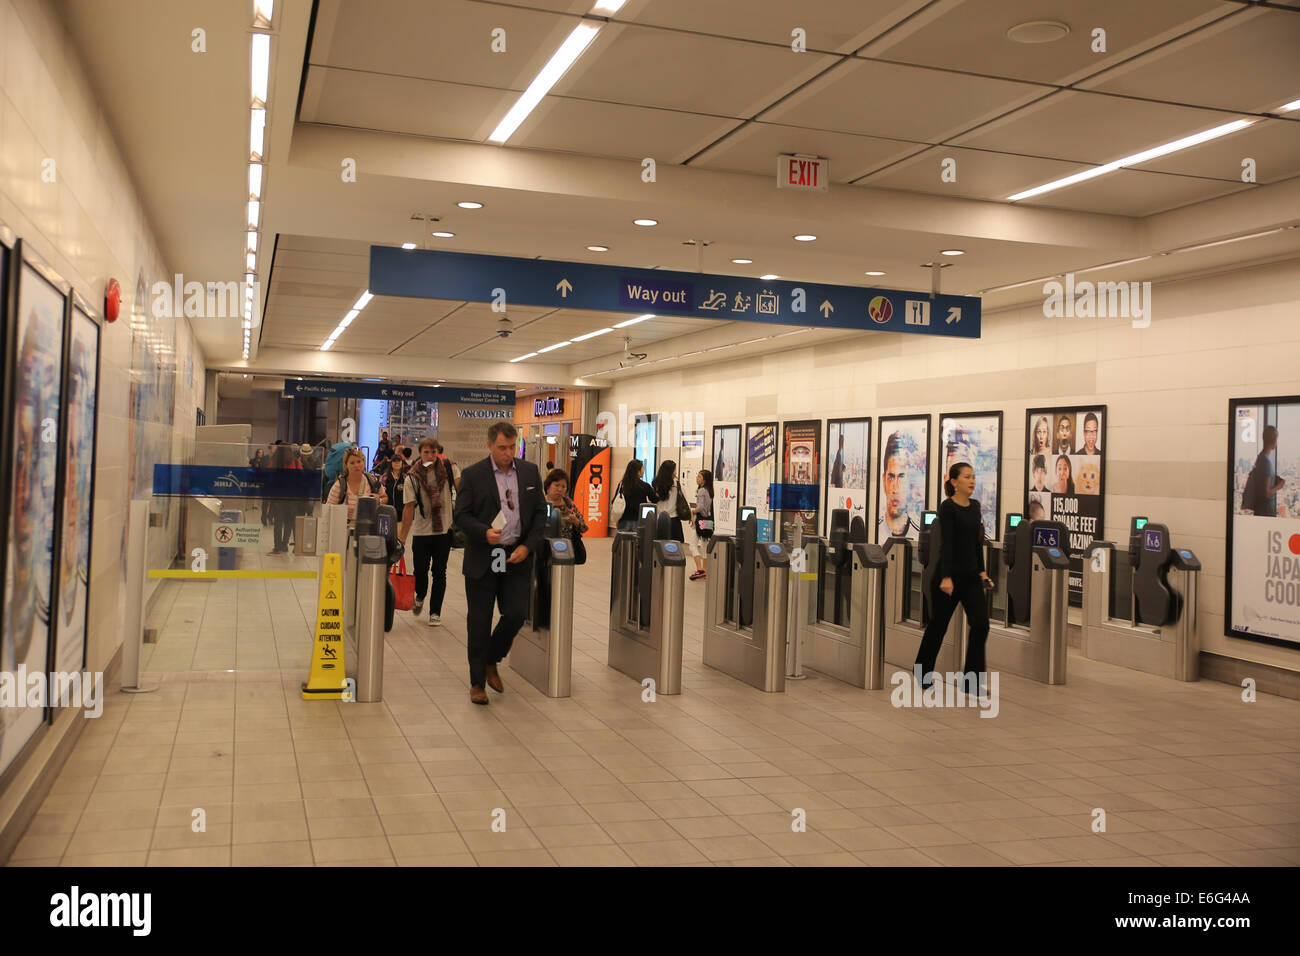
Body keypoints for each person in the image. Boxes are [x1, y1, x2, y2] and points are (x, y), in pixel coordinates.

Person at [453, 421, 547, 705]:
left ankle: (491, 658)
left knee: (517, 612)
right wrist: (483, 532)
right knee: (479, 621)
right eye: (502, 448)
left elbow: (541, 513)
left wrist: (528, 547)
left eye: (512, 447)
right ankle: (477, 683)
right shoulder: (473, 475)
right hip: (486, 556)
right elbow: (461, 516)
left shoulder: (529, 472)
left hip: (515, 556)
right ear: (490, 445)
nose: (508, 453)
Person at [913, 462, 991, 697]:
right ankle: (922, 673)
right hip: (948, 577)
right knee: (938, 626)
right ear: (954, 482)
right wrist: (946, 577)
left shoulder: (975, 507)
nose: (972, 481)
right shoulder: (947, 508)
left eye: (973, 477)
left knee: (981, 624)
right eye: (967, 477)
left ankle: (972, 681)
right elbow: (945, 545)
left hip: (971, 577)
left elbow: (977, 542)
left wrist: (983, 571)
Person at [399, 439, 452, 626]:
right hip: (421, 532)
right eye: (426, 452)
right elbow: (409, 508)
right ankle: (420, 595)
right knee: (420, 571)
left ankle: (435, 612)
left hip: (443, 531)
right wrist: (402, 537)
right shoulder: (412, 477)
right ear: (420, 454)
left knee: (440, 572)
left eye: (433, 452)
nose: (430, 456)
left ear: (438, 452)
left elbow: (462, 489)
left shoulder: (448, 471)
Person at [326, 447, 387, 525]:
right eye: (352, 463)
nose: (356, 465)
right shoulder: (340, 485)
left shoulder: (372, 481)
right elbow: (329, 509)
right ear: (346, 465)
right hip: (343, 530)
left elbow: (385, 497)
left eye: (359, 461)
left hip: (368, 529)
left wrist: (380, 500)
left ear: (364, 462)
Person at [878, 430, 921, 540]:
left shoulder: (918, 536)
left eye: (902, 477)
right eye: (891, 477)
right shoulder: (874, 530)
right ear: (884, 481)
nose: (895, 488)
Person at [269, 443, 304, 555]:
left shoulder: (274, 462)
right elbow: (301, 477)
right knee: (289, 521)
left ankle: (277, 546)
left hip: (278, 496)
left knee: (278, 522)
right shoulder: (295, 461)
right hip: (292, 496)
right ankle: (285, 544)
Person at [1243, 425, 1284, 516]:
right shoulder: (1266, 462)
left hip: (1260, 509)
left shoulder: (1260, 458)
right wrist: (1279, 486)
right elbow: (1266, 493)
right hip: (1266, 510)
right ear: (1274, 441)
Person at [545, 468, 588, 539]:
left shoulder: (569, 504)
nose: (560, 489)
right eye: (556, 485)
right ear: (548, 486)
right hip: (544, 547)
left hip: (566, 547)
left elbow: (584, 528)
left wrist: (575, 521)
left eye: (563, 487)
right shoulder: (541, 504)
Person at [613, 459, 655, 531]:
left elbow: (614, 500)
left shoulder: (622, 484)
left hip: (623, 520)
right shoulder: (644, 486)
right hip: (639, 521)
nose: (643, 471)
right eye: (643, 469)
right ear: (638, 472)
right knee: (638, 541)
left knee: (623, 540)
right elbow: (654, 499)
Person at [651, 459, 687, 542]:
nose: (676, 472)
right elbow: (684, 500)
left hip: (659, 520)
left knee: (660, 546)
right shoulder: (677, 485)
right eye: (675, 470)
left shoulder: (655, 484)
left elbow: (652, 500)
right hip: (674, 520)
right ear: (671, 471)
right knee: (675, 548)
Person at [689, 469, 714, 580]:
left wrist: (692, 511)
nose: (697, 478)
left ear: (704, 480)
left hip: (699, 521)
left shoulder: (701, 491)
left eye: (699, 477)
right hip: (708, 521)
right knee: (704, 546)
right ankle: (705, 571)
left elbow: (700, 508)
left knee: (692, 545)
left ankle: (699, 569)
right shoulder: (709, 490)